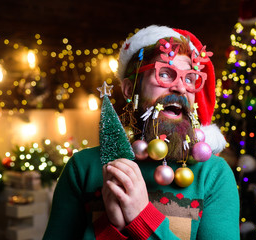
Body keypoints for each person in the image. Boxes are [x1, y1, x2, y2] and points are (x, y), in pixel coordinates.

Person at [43, 25, 240, 240]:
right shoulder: (82, 169)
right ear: (130, 88)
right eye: (165, 74)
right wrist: (113, 227)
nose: (181, 88)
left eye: (190, 79)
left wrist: (141, 218)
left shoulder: (213, 174)